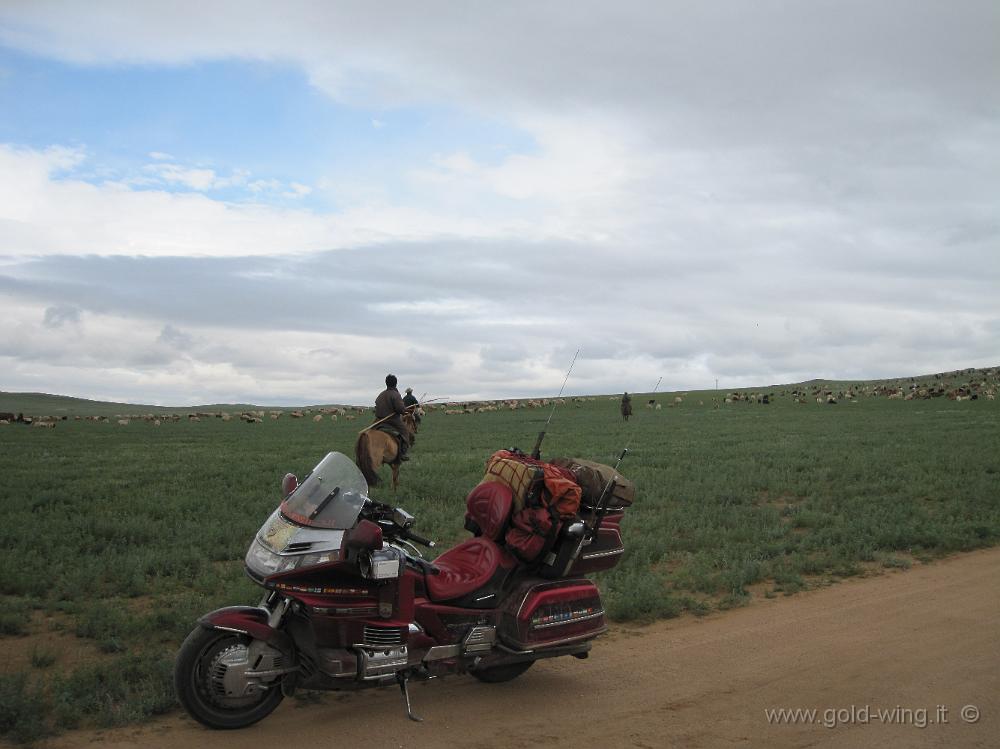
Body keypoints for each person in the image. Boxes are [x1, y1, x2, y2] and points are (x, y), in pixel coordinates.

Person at [375, 374, 412, 461]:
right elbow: (400, 409)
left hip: (379, 421)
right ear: (395, 383)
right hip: (392, 420)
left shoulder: (380, 395)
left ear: (386, 383)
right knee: (405, 431)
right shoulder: (395, 394)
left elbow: (377, 407)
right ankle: (402, 453)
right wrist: (404, 410)